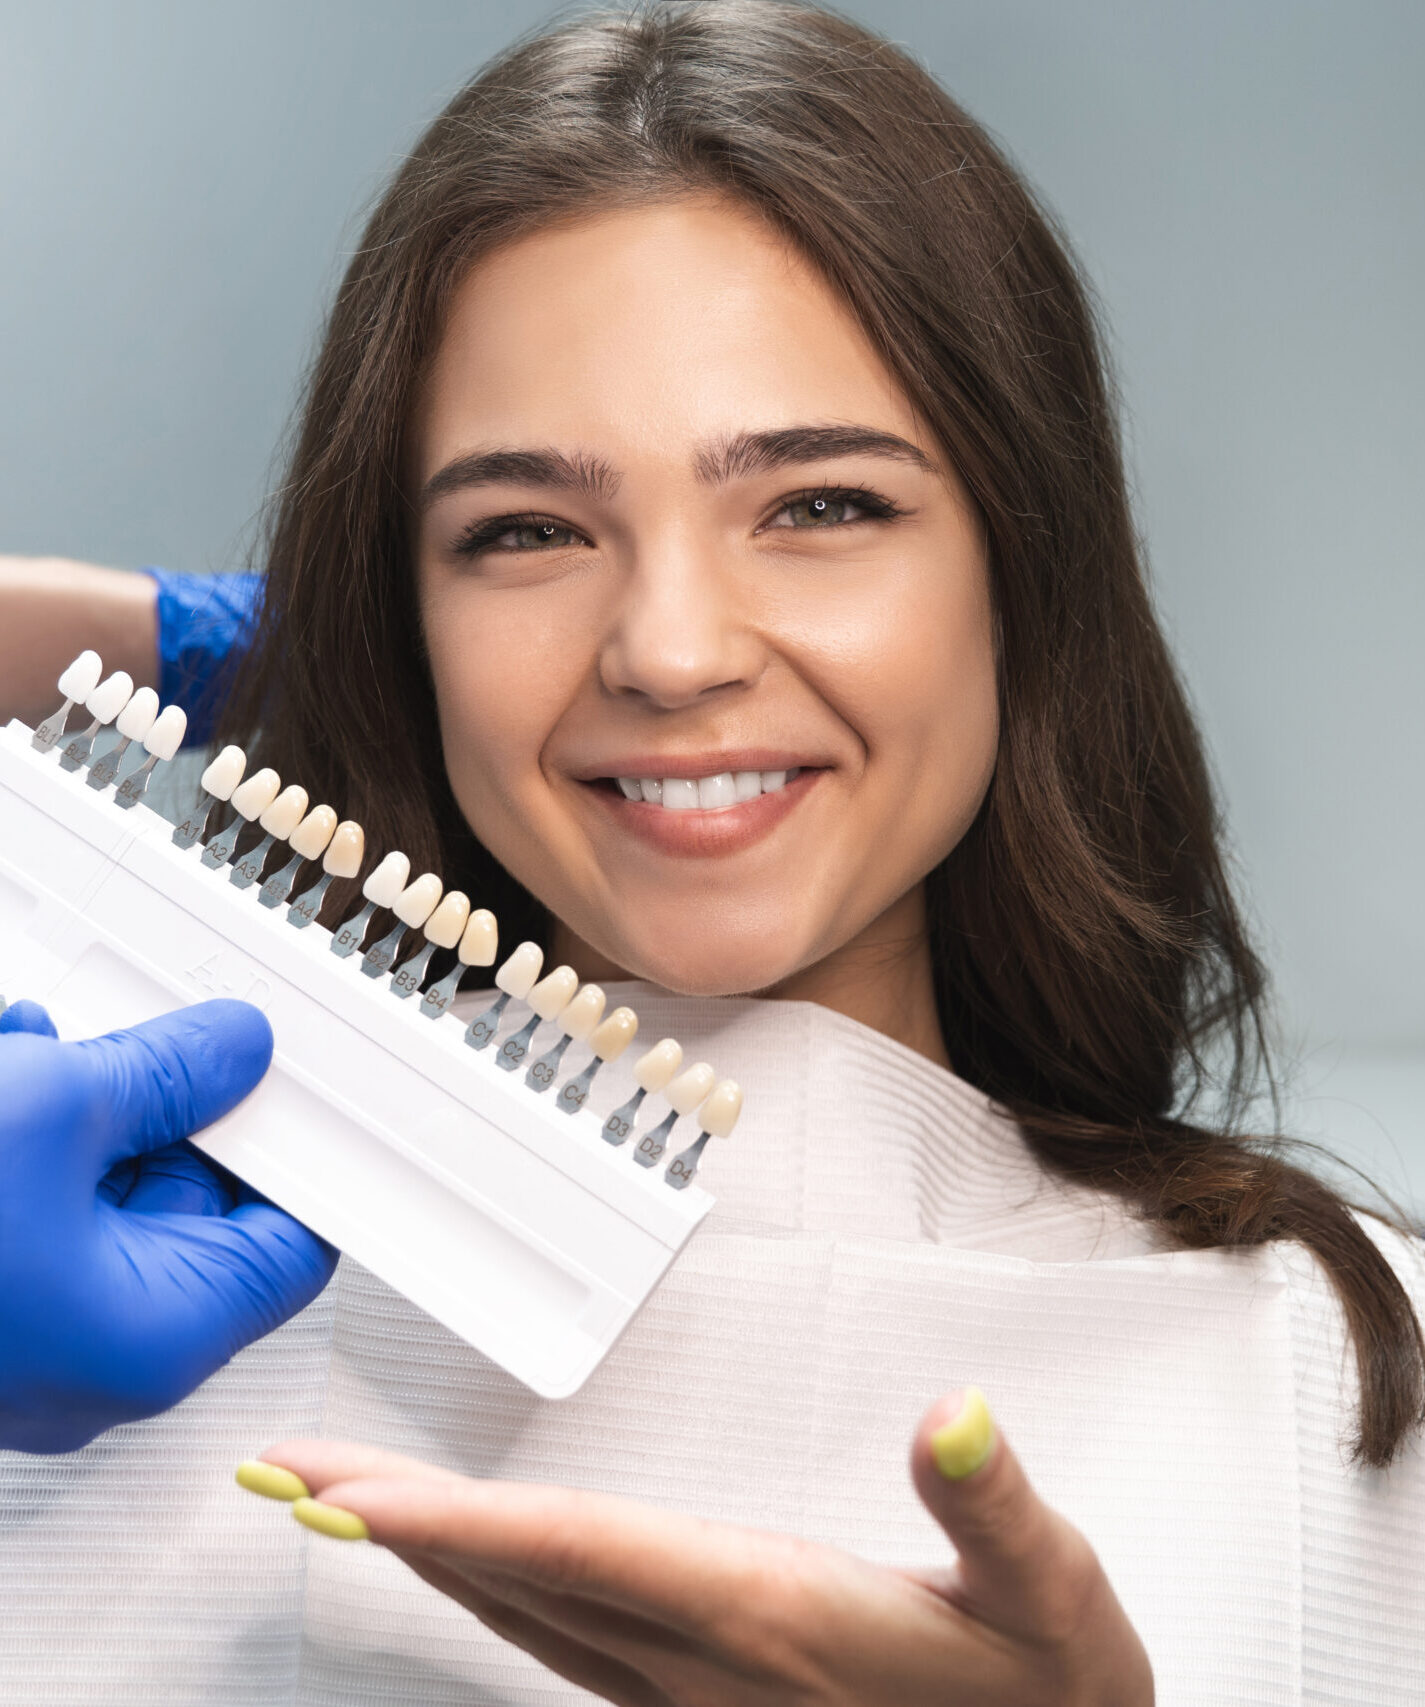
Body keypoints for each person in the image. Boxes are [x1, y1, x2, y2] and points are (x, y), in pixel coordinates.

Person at [1, 2, 1421, 1702]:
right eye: (522, 531)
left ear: (1024, 576)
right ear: (407, 616)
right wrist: (149, 646)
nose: (668, 651)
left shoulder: (1331, 1374)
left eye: (822, 506)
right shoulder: (89, 1305)